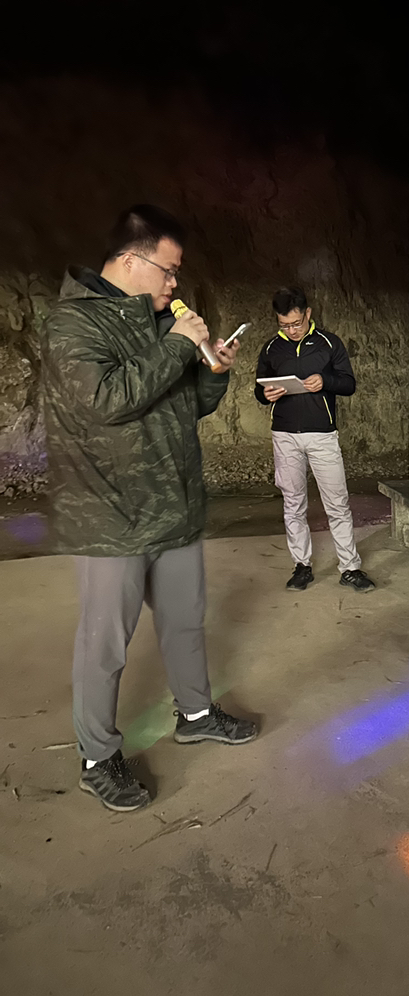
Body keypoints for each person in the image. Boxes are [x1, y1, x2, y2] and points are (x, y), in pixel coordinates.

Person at [41, 204, 258, 814]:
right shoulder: (73, 322)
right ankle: (97, 756)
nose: (174, 282)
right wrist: (178, 345)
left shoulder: (159, 323)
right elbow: (106, 400)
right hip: (110, 514)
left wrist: (212, 368)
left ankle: (196, 714)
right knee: (105, 642)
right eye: (169, 270)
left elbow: (187, 405)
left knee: (185, 620)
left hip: (172, 505)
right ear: (131, 260)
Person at [254, 286, 375, 592]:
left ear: (308, 314)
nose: (291, 330)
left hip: (322, 435)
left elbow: (348, 384)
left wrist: (325, 381)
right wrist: (266, 394)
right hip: (284, 435)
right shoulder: (271, 349)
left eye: (296, 323)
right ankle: (302, 566)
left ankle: (350, 568)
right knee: (293, 503)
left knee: (337, 503)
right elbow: (259, 389)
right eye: (284, 325)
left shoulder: (328, 343)